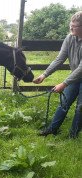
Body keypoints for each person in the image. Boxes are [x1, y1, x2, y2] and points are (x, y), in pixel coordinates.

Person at [33, 11, 82, 139]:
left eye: (74, 26)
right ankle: (52, 129)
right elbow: (60, 59)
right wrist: (44, 74)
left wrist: (64, 83)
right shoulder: (70, 37)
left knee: (80, 108)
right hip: (75, 77)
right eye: (70, 25)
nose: (71, 28)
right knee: (64, 102)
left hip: (79, 74)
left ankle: (73, 135)